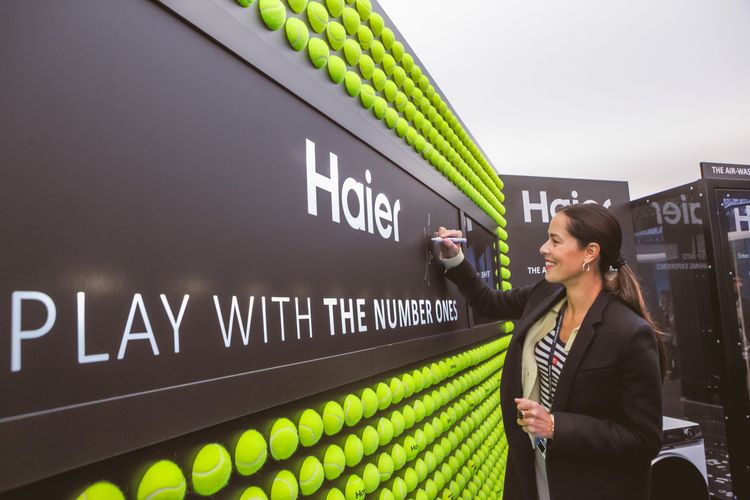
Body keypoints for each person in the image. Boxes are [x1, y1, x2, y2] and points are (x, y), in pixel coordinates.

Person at [437, 203, 665, 500]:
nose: (544, 248)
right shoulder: (544, 295)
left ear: (590, 252)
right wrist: (455, 258)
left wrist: (557, 425)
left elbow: (644, 438)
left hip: (590, 487)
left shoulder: (629, 332)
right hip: (534, 472)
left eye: (555, 241)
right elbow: (487, 302)